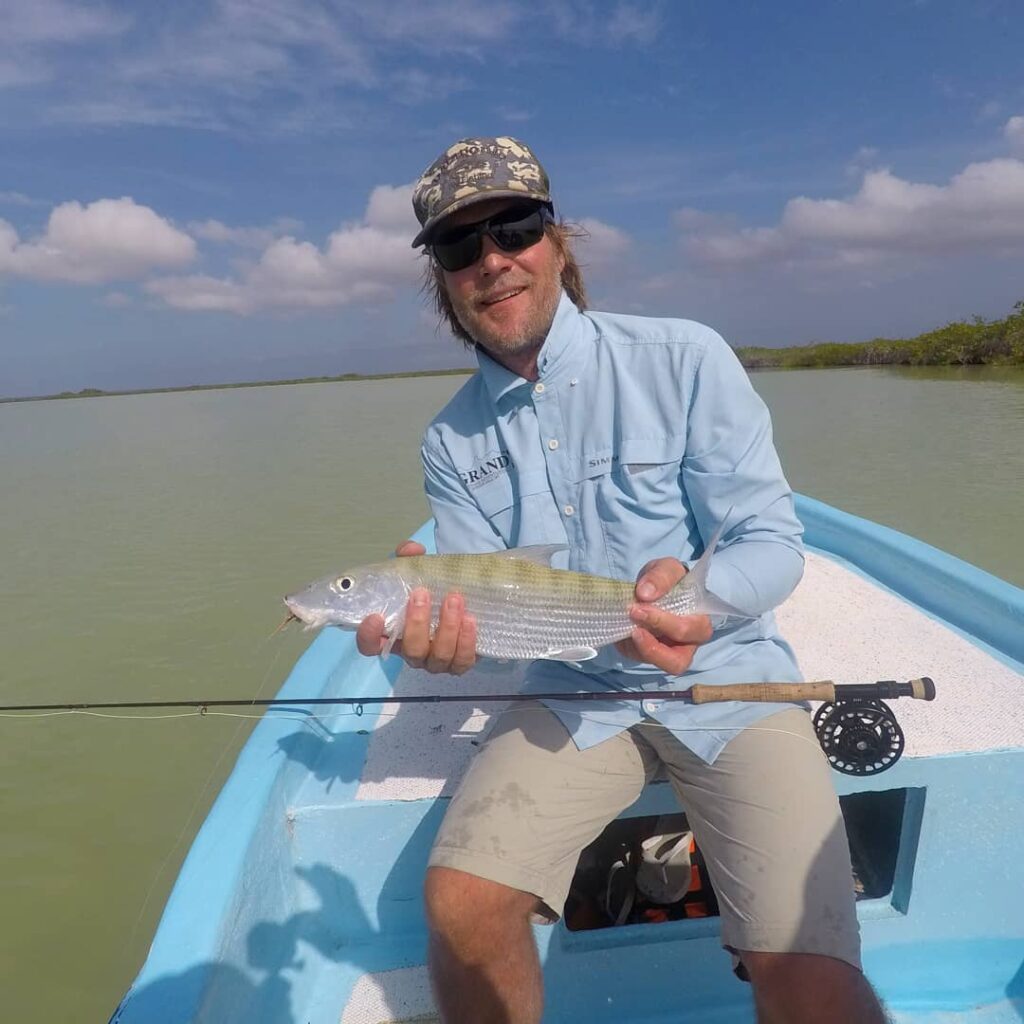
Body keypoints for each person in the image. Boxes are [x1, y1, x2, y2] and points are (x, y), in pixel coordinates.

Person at [356, 136, 888, 1024]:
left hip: (732, 680)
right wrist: (442, 646)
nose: (492, 260)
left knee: (808, 968)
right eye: (460, 247)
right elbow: (478, 612)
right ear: (443, 280)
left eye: (514, 227)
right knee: (459, 907)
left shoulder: (683, 357)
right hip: (572, 691)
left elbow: (769, 540)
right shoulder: (449, 443)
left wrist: (699, 607)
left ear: (557, 240)